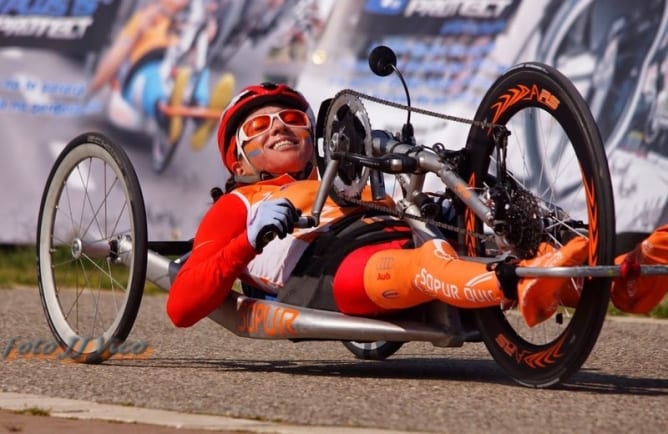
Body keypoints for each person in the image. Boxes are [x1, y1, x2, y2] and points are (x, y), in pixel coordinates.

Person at [166, 82, 668, 329]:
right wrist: (249, 238)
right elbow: (182, 304)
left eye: (291, 117)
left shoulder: (344, 177)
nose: (278, 126)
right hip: (321, 272)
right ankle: (520, 281)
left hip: (392, 233)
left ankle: (626, 280)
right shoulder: (236, 204)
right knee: (426, 263)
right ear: (237, 152)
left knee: (499, 218)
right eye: (259, 125)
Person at [86, 0, 227, 147]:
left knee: (199, 72)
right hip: (142, 73)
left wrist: (204, 35)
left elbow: (193, 59)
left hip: (176, 72)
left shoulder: (189, 25)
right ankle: (165, 114)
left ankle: (202, 113)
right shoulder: (146, 17)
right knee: (153, 76)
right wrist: (93, 89)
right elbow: (116, 54)